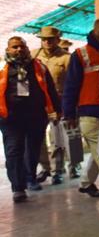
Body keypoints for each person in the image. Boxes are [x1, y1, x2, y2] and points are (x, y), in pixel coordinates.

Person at [0, 36, 61, 202]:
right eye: (15, 47)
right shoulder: (2, 68)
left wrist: (58, 110)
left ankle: (30, 178)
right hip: (10, 119)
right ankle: (18, 188)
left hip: (35, 117)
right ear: (8, 50)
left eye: (22, 47)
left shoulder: (39, 67)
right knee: (13, 151)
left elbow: (50, 89)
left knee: (32, 151)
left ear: (27, 49)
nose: (19, 50)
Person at [62, 18, 99, 202]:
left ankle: (86, 183)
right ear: (94, 32)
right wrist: (68, 113)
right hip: (89, 115)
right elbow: (70, 86)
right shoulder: (80, 54)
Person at [31, 26, 75, 186]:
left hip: (59, 103)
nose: (47, 42)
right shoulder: (33, 56)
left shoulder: (66, 58)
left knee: (58, 139)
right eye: (44, 39)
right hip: (39, 104)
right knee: (38, 138)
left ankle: (58, 171)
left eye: (50, 39)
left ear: (57, 39)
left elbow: (73, 83)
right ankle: (45, 168)